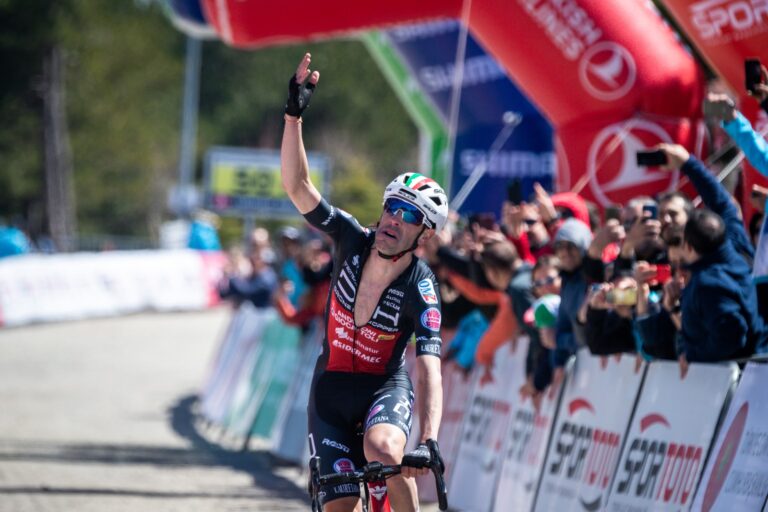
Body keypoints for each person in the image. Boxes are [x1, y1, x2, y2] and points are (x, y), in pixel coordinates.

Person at [280, 53, 444, 512]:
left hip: (383, 388)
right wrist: (293, 117)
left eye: (410, 215)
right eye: (393, 205)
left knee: (387, 453)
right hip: (330, 390)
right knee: (341, 507)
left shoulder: (421, 286)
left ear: (424, 233)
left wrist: (428, 440)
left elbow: (429, 367)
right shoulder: (351, 238)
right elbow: (298, 187)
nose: (394, 218)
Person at [656, 144, 767, 375]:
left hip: (741, 382)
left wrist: (694, 355)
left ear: (688, 245)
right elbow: (721, 202)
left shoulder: (708, 283)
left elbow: (731, 336)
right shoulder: (735, 243)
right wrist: (688, 163)